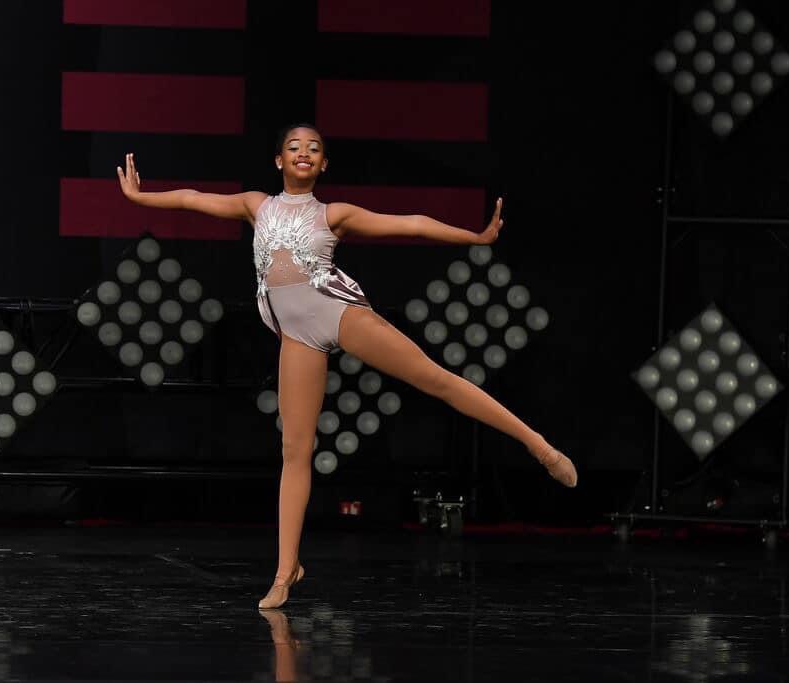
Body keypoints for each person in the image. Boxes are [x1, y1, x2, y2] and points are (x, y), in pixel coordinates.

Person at [117, 123, 577, 610]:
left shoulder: (334, 214)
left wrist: (476, 238)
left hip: (339, 313)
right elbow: (193, 198)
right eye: (294, 146)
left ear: (323, 165)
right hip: (297, 336)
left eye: (314, 149)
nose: (303, 153)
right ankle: (285, 569)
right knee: (295, 452)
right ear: (279, 160)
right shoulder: (256, 205)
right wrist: (142, 198)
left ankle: (539, 446)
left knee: (436, 380)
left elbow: (413, 223)